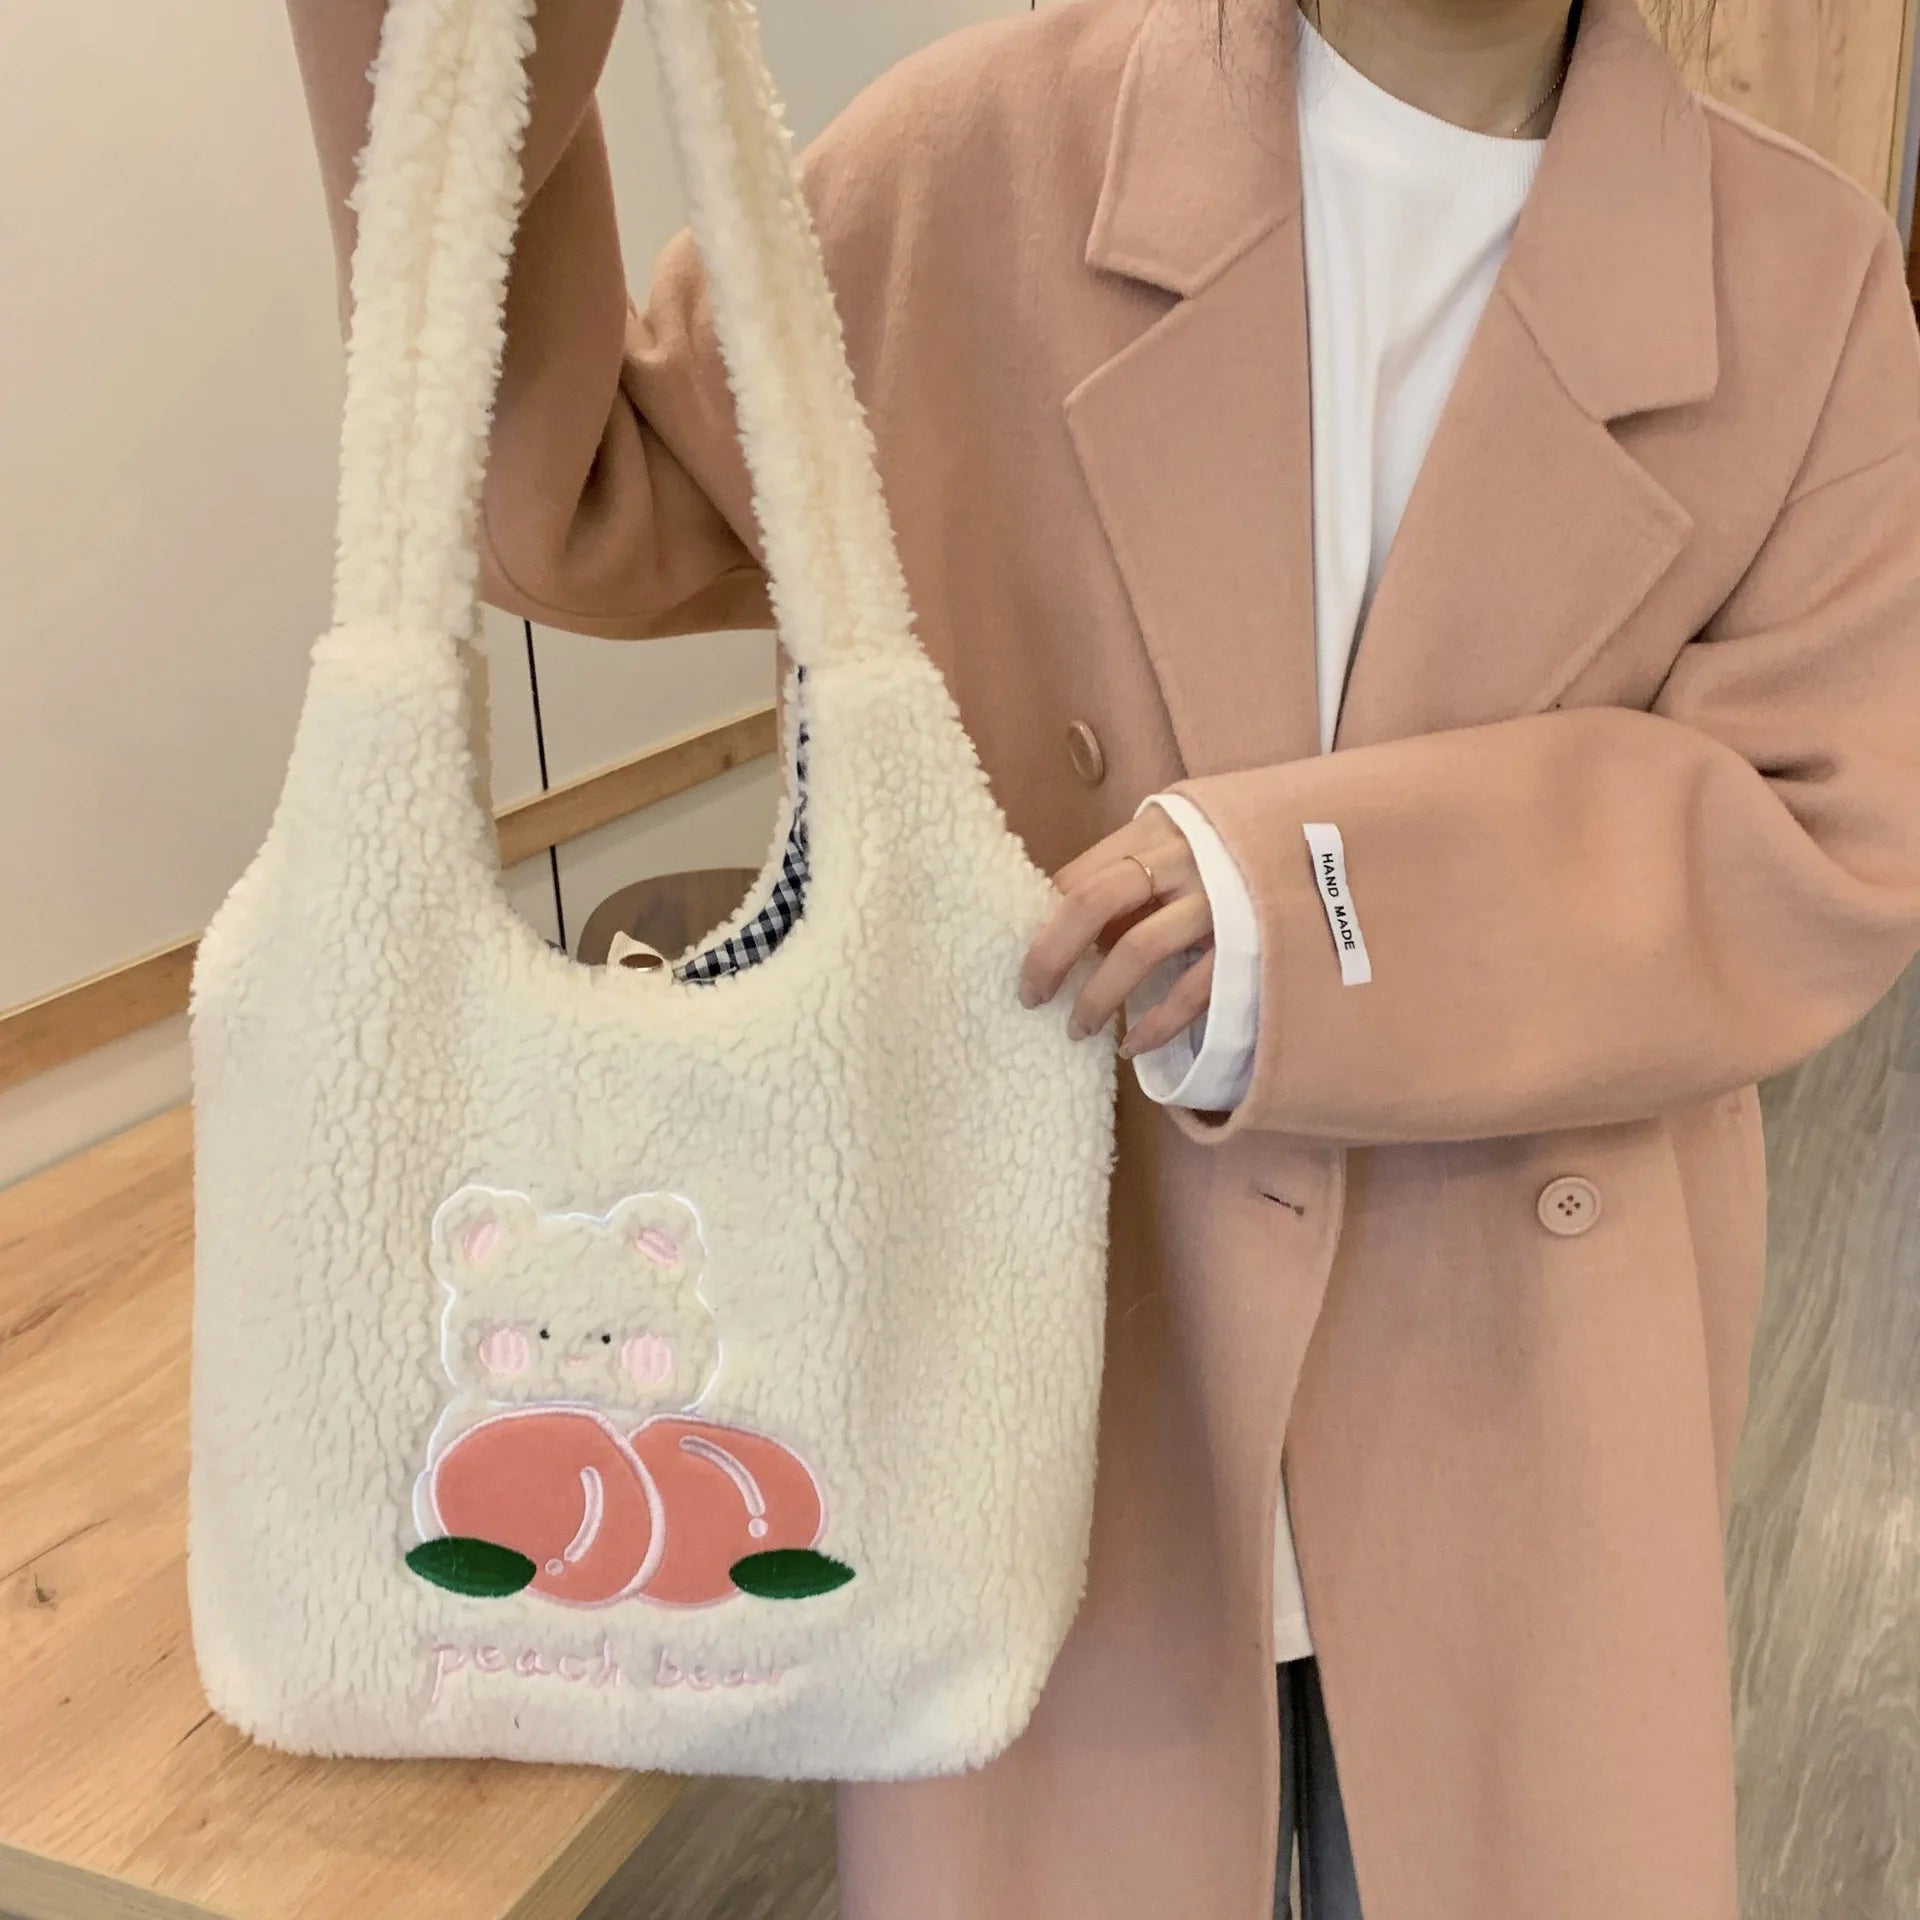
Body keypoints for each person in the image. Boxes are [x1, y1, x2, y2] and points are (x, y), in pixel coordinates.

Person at [286, 1, 1920, 1916]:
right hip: (1063, 1385)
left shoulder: (1796, 280)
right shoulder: (967, 166)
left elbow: (1824, 828)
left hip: (1527, 1406)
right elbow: (574, 499)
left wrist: (1297, 905)